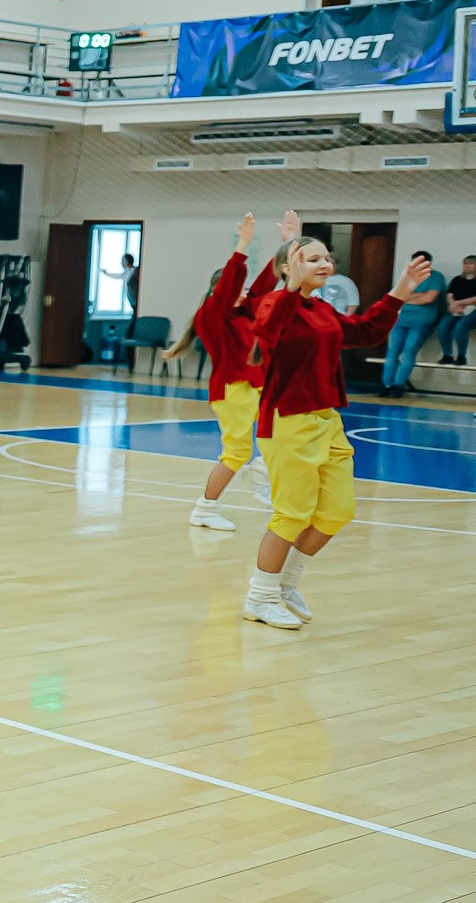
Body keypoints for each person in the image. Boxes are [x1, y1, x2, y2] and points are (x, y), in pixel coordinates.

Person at [242, 239, 427, 629]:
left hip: (326, 419)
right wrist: (290, 288)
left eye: (328, 258)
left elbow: (366, 331)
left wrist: (401, 290)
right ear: (287, 268)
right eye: (313, 259)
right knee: (292, 515)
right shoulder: (274, 305)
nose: (325, 263)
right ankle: (260, 595)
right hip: (288, 420)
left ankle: (286, 583)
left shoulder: (321, 309)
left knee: (338, 510)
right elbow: (268, 326)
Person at [163, 211, 286, 530]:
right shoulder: (212, 317)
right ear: (222, 292)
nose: (244, 292)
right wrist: (242, 245)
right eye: (238, 288)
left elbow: (265, 283)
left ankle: (260, 470)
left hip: (256, 386)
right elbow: (231, 285)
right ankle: (205, 509)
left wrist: (287, 246)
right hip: (232, 391)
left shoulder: (246, 310)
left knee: (286, 431)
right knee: (235, 454)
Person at [378, 249, 443, 395]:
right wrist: (417, 296)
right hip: (400, 318)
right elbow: (396, 296)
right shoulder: (407, 276)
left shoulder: (436, 277)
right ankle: (386, 385)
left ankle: (398, 386)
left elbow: (429, 298)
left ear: (428, 263)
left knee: (408, 352)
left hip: (422, 320)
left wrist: (408, 297)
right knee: (392, 352)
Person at [438, 255, 476, 365]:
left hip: (472, 309)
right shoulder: (457, 279)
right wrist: (452, 303)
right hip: (456, 309)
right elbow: (450, 294)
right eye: (465, 263)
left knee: (460, 326)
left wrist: (460, 303)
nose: (467, 266)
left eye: (470, 263)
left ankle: (461, 356)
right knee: (443, 324)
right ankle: (447, 354)